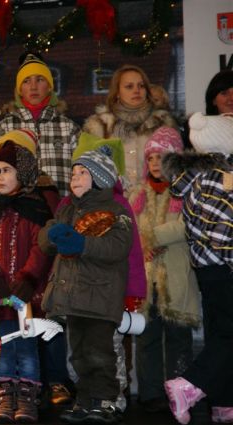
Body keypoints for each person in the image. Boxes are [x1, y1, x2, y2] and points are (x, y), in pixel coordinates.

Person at [39, 146, 133, 425]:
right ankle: (84, 400)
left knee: (100, 354)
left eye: (83, 173)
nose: (75, 178)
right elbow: (46, 239)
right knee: (79, 355)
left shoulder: (116, 210)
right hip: (73, 298)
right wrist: (51, 235)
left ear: (101, 179)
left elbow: (118, 246)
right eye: (74, 173)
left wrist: (83, 243)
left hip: (100, 296)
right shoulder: (67, 208)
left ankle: (105, 400)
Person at [0, 137, 53, 424]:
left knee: (27, 348)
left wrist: (28, 278)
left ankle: (27, 398)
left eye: (7, 170)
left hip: (25, 295)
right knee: (3, 346)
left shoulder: (35, 208)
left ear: (24, 172)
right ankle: (6, 398)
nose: (0, 177)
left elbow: (41, 247)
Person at [162, 112, 233, 425]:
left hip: (208, 270)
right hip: (226, 267)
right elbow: (223, 232)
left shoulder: (198, 175)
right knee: (229, 336)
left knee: (222, 334)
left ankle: (223, 402)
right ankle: (189, 386)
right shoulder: (224, 176)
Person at [127, 127, 200, 413]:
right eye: (152, 157)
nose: (156, 163)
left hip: (178, 277)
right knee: (147, 337)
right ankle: (150, 393)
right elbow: (130, 227)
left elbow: (189, 224)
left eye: (163, 157)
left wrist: (155, 236)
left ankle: (180, 392)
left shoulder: (186, 190)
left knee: (179, 339)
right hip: (146, 281)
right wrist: (143, 242)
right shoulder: (138, 194)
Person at [0, 53, 80, 197]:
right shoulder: (2, 130)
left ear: (49, 86)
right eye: (26, 81)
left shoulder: (69, 129)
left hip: (62, 209)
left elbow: (80, 173)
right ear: (19, 90)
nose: (33, 87)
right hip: (19, 212)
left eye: (40, 80)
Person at [83, 64, 176, 191]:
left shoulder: (162, 123)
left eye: (141, 86)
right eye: (129, 86)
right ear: (117, 93)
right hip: (113, 203)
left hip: (153, 202)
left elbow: (174, 169)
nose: (136, 90)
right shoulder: (99, 125)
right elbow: (86, 170)